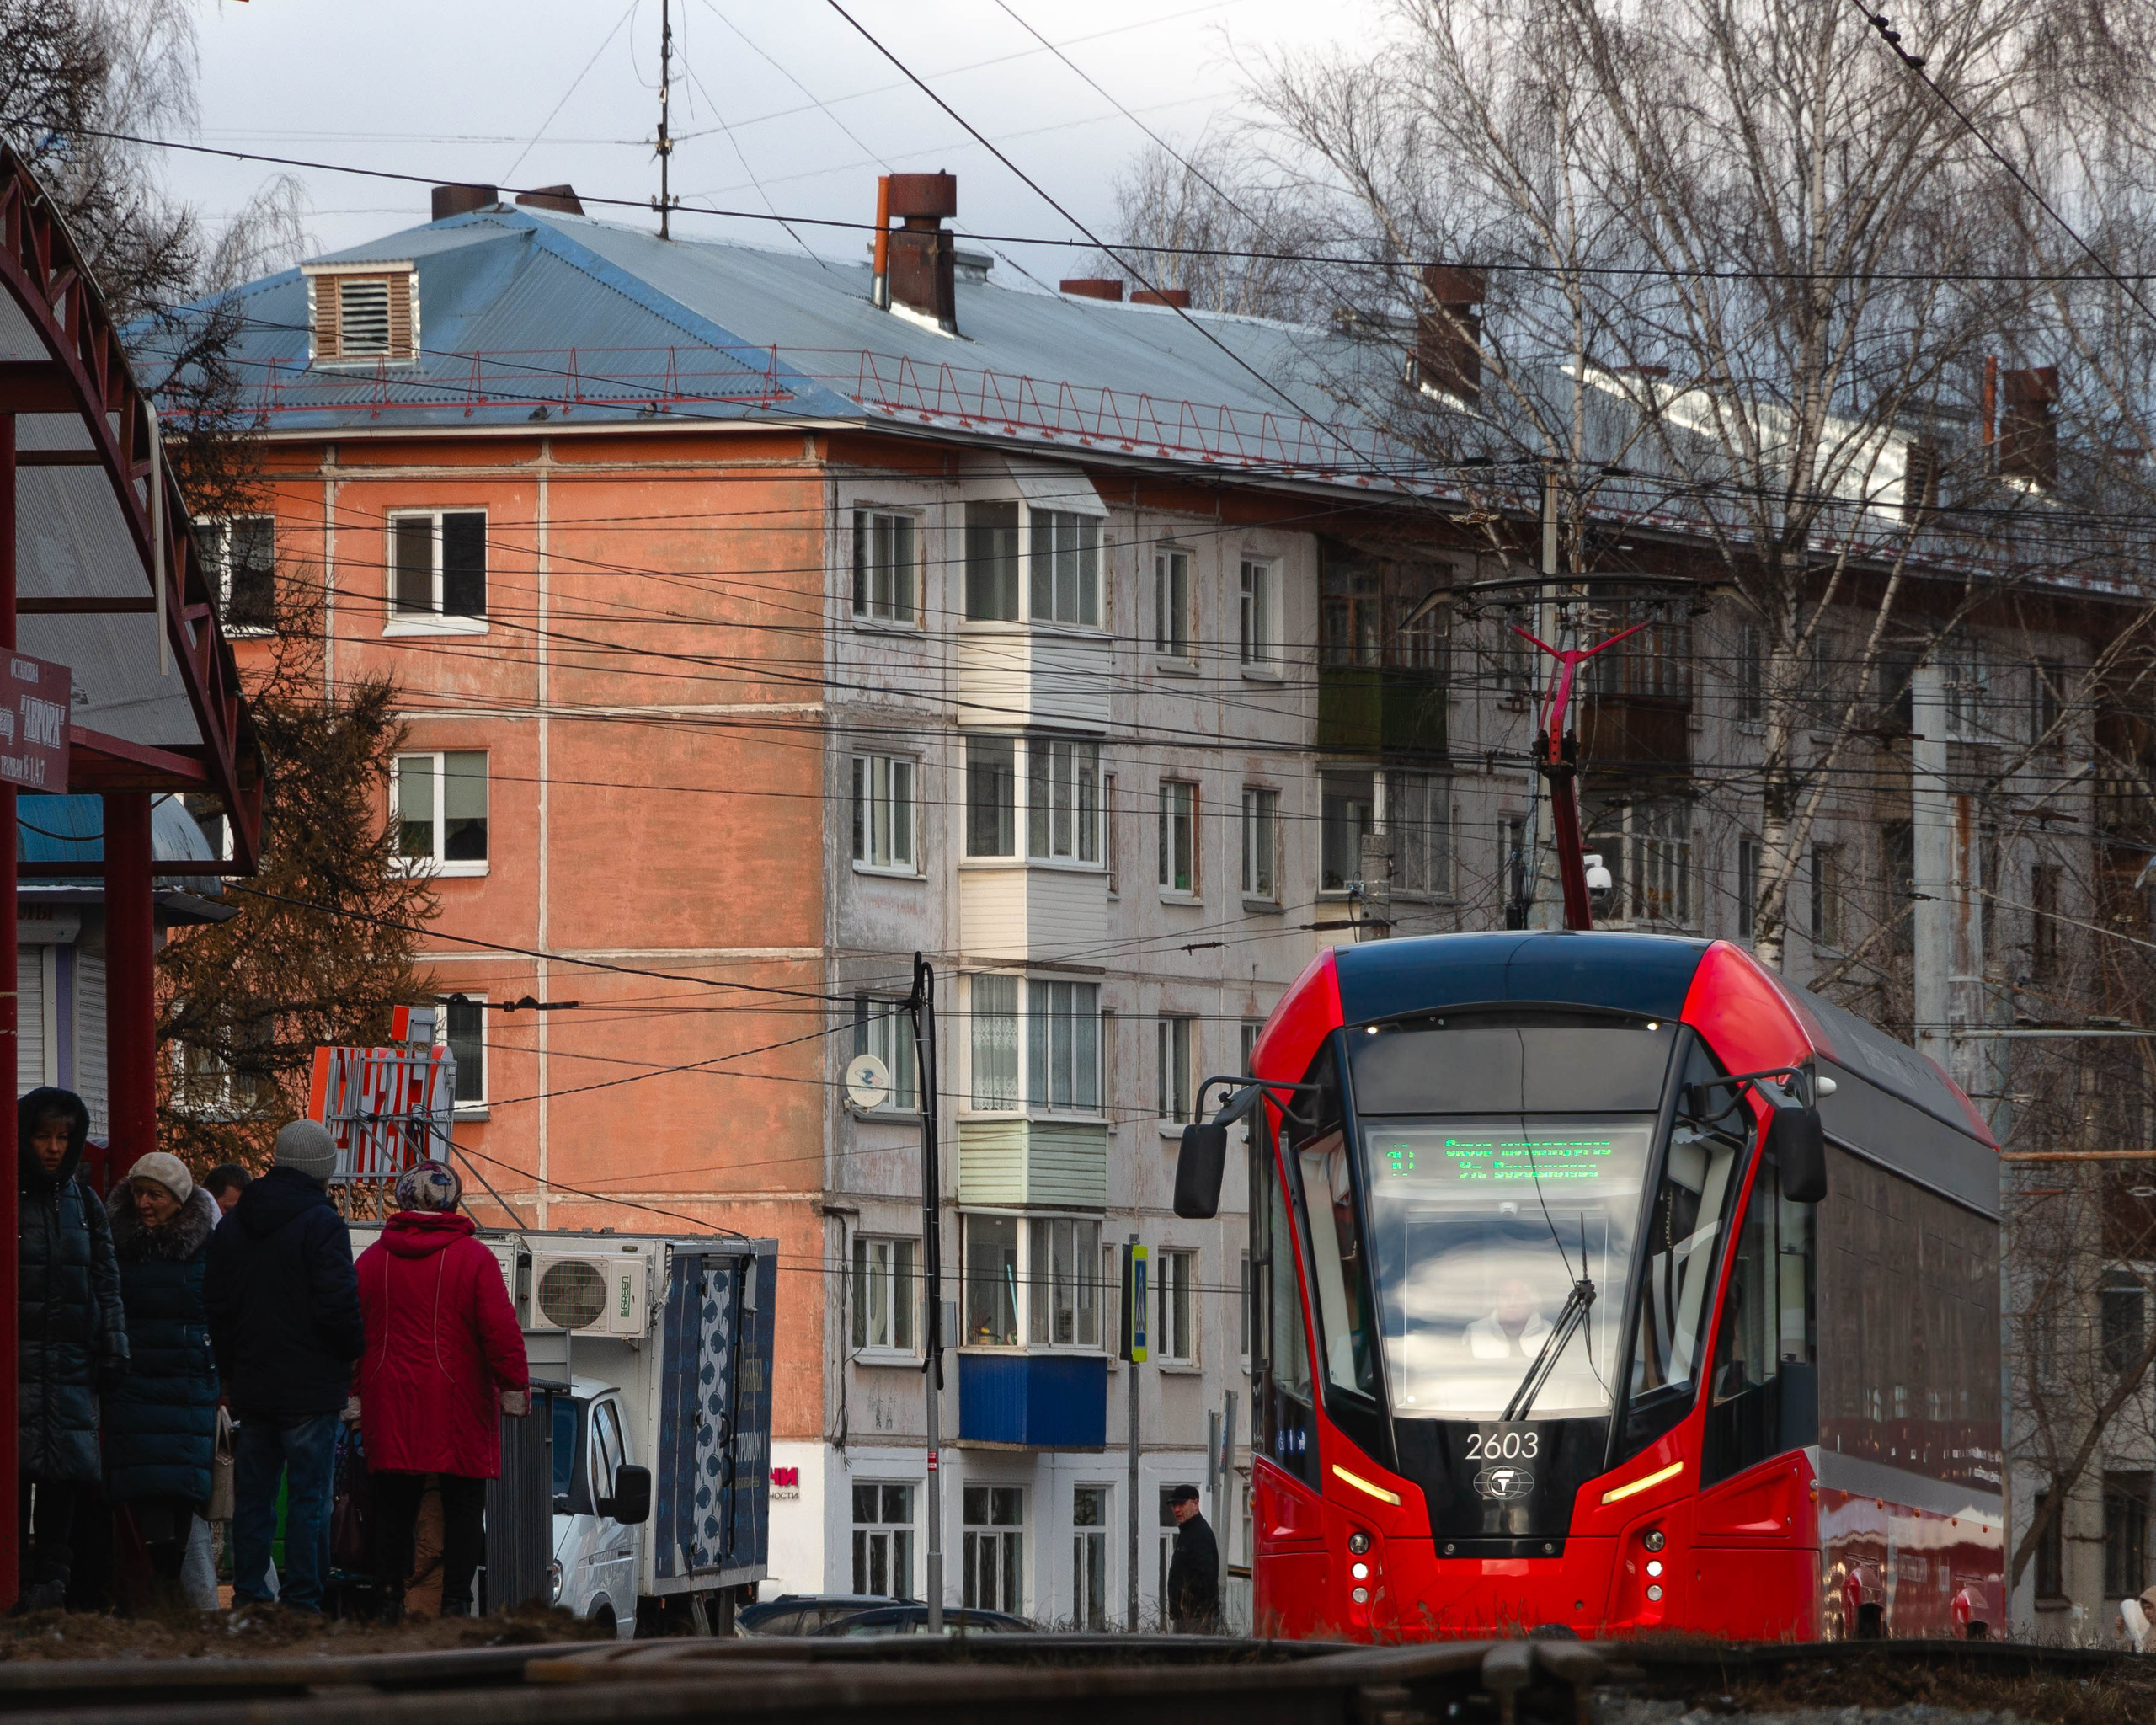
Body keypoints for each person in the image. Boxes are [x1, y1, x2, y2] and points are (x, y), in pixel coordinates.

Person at [355, 1160, 528, 1622]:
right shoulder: (474, 1260)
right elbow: (500, 1330)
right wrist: (513, 1386)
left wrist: (352, 1392)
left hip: (389, 1401)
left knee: (393, 1507)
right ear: (452, 1200)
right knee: (464, 1506)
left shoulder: (373, 1260)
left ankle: (387, 1601)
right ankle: (456, 1603)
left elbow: (350, 1333)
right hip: (460, 1401)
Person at [204, 1119, 364, 1616]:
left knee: (253, 1498)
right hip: (311, 1389)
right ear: (322, 1171)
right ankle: (302, 1602)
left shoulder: (234, 1224)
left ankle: (251, 1597)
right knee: (309, 1500)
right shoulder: (322, 1224)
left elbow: (217, 1306)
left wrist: (230, 1373)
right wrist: (351, 1352)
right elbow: (339, 1304)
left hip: (253, 1384)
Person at [16, 1088, 128, 1611]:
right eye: (43, 1136)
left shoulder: (84, 1204)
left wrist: (113, 1349)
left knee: (63, 1479)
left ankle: (53, 1587)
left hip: (69, 1364)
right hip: (15, 1365)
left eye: (63, 1137)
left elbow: (107, 1279)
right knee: (14, 1477)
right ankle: (15, 1581)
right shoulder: (9, 1195)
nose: (54, 1148)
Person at [102, 1152, 221, 1607]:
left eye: (155, 1194)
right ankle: (164, 1593)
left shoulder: (205, 1248)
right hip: (136, 1387)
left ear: (179, 1199)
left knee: (182, 1497)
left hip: (187, 1386)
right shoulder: (118, 1244)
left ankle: (171, 1594)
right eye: (138, 1192)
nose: (144, 1203)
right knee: (145, 1492)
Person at [1165, 1483, 1219, 1633]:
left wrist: (1187, 1607)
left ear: (1196, 1503)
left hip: (1197, 1618)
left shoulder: (1199, 1534)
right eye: (1174, 1505)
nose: (1176, 1510)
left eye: (1181, 1504)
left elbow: (1204, 1578)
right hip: (1189, 1618)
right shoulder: (1189, 1532)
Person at [1466, 1278, 1551, 1359]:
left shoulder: (1551, 1333)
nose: (1512, 1303)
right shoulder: (1475, 1333)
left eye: (1519, 1297)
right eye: (1506, 1296)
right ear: (1496, 1301)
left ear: (1532, 1302)